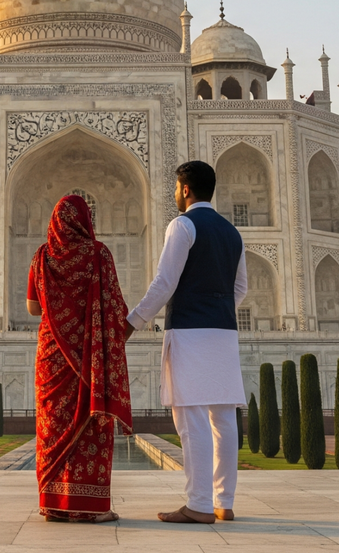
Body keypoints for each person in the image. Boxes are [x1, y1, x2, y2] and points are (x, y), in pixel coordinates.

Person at [124, 161, 247, 524]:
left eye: (176, 188)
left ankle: (198, 504)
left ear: (186, 190)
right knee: (223, 419)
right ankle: (223, 501)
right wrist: (216, 309)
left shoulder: (183, 225)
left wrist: (132, 323)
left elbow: (165, 283)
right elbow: (240, 289)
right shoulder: (232, 233)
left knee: (191, 418)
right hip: (223, 333)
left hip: (190, 332)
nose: (175, 194)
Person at [27, 194, 131, 523]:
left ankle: (54, 505)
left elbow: (33, 307)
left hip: (52, 355)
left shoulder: (42, 257)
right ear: (86, 221)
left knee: (52, 426)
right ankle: (92, 506)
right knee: (91, 426)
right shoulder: (99, 255)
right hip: (90, 355)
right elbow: (114, 306)